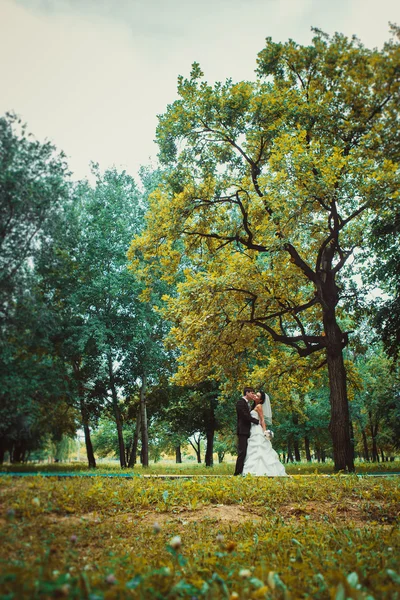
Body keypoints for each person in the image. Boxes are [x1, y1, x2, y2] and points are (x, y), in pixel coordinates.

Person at [242, 390, 287, 477]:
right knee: (253, 450)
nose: (255, 396)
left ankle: (261, 471)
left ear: (261, 400)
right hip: (252, 429)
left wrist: (265, 432)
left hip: (257, 430)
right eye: (255, 395)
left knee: (259, 449)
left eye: (257, 396)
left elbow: (262, 420)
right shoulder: (253, 406)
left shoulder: (259, 406)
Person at [234, 387, 260, 476]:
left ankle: (243, 471)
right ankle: (237, 473)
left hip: (249, 431)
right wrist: (257, 422)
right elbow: (245, 416)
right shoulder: (240, 402)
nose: (253, 395)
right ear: (247, 393)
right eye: (252, 393)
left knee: (247, 452)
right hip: (242, 431)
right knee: (242, 452)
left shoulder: (248, 403)